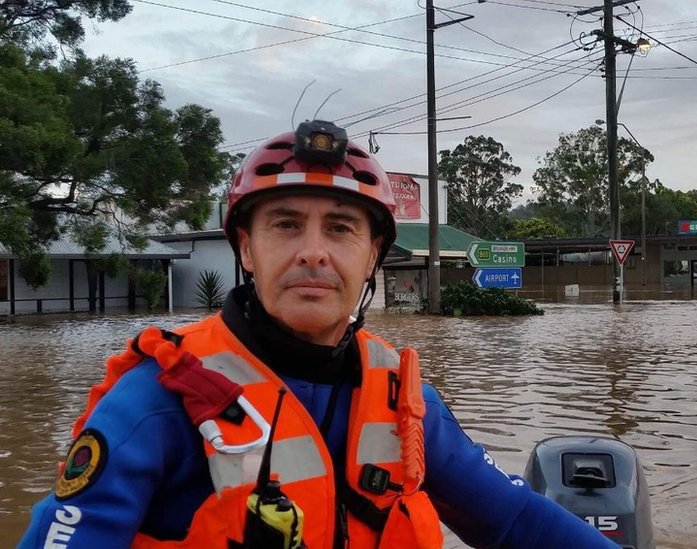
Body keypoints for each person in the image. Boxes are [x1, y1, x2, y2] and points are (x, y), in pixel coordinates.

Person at [18, 120, 619, 548]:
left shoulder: (406, 407)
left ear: (373, 255)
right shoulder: (159, 402)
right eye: (285, 225)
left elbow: (515, 522)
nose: (313, 253)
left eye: (340, 229)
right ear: (247, 250)